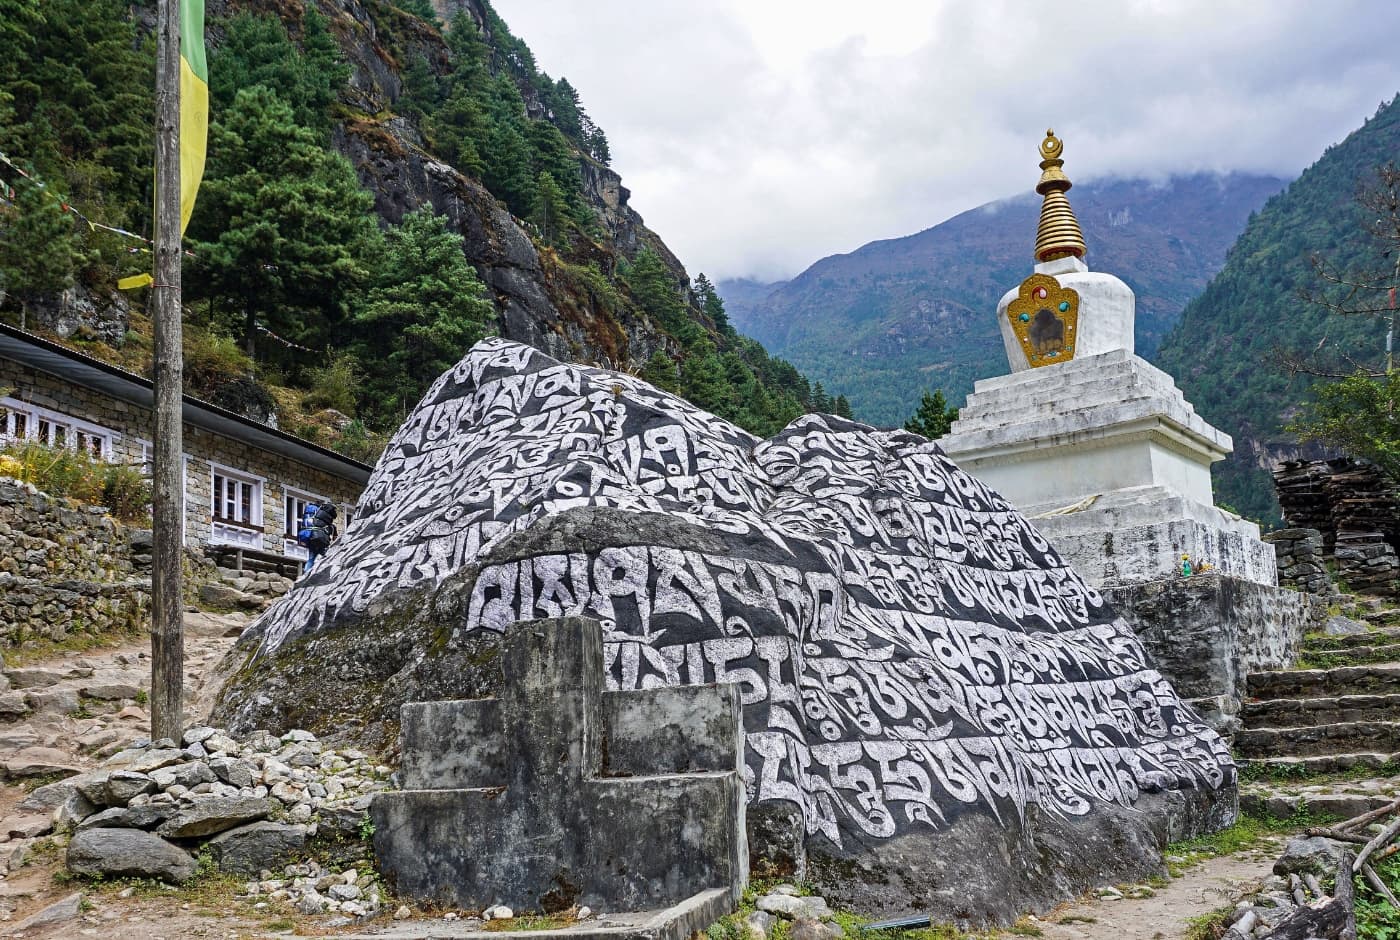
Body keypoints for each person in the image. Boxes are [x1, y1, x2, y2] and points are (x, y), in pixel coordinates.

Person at [296, 500, 338, 574]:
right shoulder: (331, 526)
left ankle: (306, 573)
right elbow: (335, 539)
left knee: (311, 558)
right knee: (327, 557)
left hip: (310, 538)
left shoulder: (311, 519)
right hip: (321, 541)